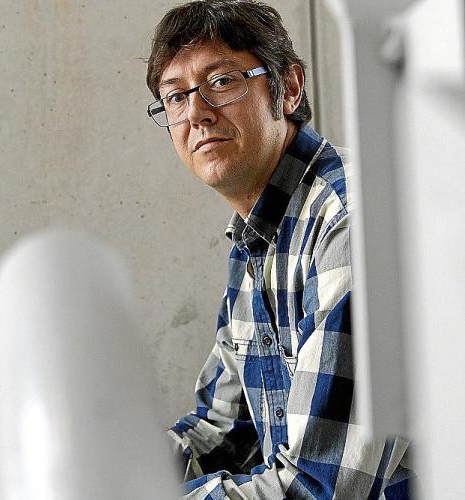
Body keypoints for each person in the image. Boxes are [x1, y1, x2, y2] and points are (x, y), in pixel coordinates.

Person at [145, 1, 414, 498]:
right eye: (176, 96)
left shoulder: (350, 222)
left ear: (288, 88)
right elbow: (223, 433)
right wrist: (110, 472)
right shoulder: (254, 239)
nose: (196, 113)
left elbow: (322, 487)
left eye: (221, 81)